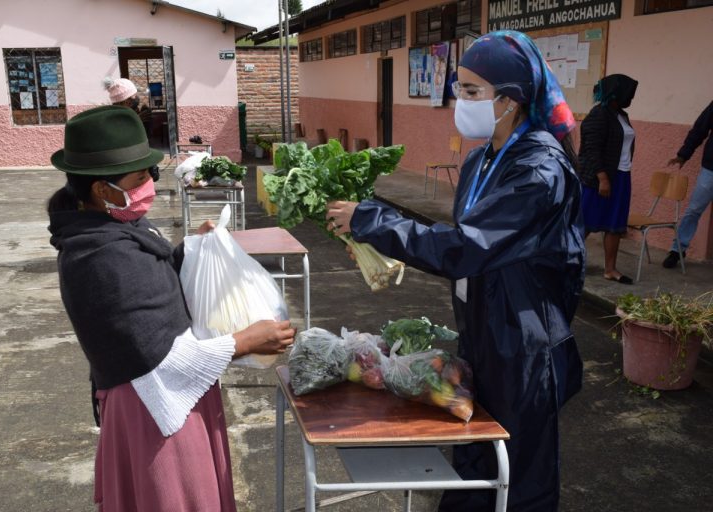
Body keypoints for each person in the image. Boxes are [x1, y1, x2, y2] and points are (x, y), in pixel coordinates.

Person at [326, 31, 585, 511]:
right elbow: (458, 244)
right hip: (481, 327)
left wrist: (374, 221)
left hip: (523, 341)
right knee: (472, 458)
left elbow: (468, 246)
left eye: (471, 91)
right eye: (458, 88)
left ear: (509, 100)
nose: (458, 101)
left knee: (517, 473)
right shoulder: (482, 159)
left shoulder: (538, 170)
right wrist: (372, 240)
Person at [47, 105, 295, 512]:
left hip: (168, 397)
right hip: (154, 409)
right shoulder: (102, 258)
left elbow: (148, 287)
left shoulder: (117, 230)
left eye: (151, 174)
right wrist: (245, 341)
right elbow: (158, 359)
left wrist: (190, 253)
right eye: (139, 178)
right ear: (101, 189)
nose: (149, 184)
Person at [578, 74, 639, 284]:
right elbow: (591, 149)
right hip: (599, 179)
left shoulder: (621, 115)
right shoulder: (599, 115)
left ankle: (610, 269)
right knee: (583, 223)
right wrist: (602, 178)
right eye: (628, 93)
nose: (630, 98)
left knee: (615, 224)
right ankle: (563, 261)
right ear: (615, 92)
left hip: (622, 176)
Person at [662, 100, 713, 269]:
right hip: (711, 169)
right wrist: (684, 154)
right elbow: (700, 130)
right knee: (694, 209)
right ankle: (677, 250)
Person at [103, 77, 159, 181]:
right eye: (134, 96)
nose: (137, 98)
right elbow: (119, 137)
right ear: (127, 101)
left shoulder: (132, 112)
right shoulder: (111, 117)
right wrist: (137, 120)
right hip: (124, 171)